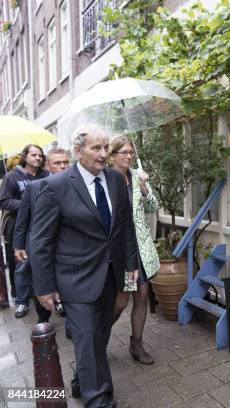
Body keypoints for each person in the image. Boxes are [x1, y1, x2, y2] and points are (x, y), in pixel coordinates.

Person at [30, 125, 139, 408]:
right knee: (89, 338)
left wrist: (130, 262)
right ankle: (100, 400)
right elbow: (40, 242)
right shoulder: (55, 187)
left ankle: (81, 379)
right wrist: (43, 288)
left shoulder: (115, 180)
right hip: (74, 279)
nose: (104, 154)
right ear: (77, 151)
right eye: (96, 148)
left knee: (97, 337)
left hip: (110, 275)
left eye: (106, 148)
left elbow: (125, 225)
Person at [108, 135, 160, 365]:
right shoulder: (106, 180)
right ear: (112, 156)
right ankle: (95, 338)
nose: (129, 156)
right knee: (120, 301)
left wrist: (143, 186)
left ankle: (136, 344)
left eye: (131, 152)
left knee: (142, 296)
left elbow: (153, 207)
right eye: (123, 153)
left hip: (140, 247)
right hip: (118, 250)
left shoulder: (136, 177)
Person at [13, 148, 70, 323]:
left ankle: (69, 320)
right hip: (40, 246)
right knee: (41, 282)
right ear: (48, 165)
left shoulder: (77, 186)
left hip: (66, 246)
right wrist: (18, 245)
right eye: (57, 163)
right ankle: (43, 319)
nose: (62, 166)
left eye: (65, 162)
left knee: (67, 283)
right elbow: (23, 219)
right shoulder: (34, 187)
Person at [0, 145, 50, 318]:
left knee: (46, 264)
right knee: (22, 266)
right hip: (21, 227)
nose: (37, 158)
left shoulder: (46, 175)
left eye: (40, 155)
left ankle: (53, 300)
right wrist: (26, 204)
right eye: (33, 155)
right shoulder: (12, 177)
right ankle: (21, 302)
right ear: (25, 157)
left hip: (43, 226)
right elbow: (4, 201)